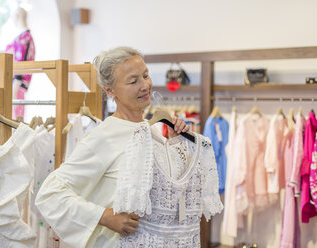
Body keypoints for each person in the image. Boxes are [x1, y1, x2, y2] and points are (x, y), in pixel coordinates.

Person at [36, 47, 222, 248]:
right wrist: (103, 216)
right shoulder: (104, 136)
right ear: (110, 91)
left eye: (145, 75)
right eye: (134, 81)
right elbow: (49, 194)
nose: (145, 85)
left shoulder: (151, 131)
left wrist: (177, 145)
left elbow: (168, 195)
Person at [4, 6, 35, 119]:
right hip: (13, 83)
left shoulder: (25, 39)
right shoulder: (22, 37)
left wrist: (15, 86)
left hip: (16, 85)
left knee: (14, 118)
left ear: (17, 17)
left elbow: (21, 65)